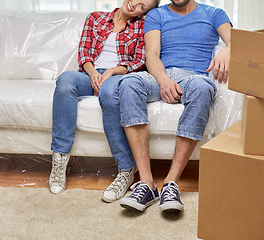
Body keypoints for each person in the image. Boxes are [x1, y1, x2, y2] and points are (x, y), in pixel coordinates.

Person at [100, 0, 231, 211]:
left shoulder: (214, 13)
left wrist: (228, 49)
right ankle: (147, 183)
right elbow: (151, 55)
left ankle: (171, 183)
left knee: (202, 87)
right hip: (161, 75)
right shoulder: (156, 15)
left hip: (194, 77)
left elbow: (238, 41)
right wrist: (163, 81)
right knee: (130, 83)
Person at [49, 0, 160, 198]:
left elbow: (138, 62)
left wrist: (111, 72)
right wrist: (93, 74)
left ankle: (126, 169)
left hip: (116, 76)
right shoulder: (95, 18)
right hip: (89, 74)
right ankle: (59, 160)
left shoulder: (141, 27)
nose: (135, 4)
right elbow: (84, 53)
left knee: (109, 92)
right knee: (65, 81)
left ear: (145, 13)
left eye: (142, 6)